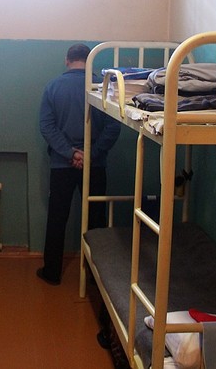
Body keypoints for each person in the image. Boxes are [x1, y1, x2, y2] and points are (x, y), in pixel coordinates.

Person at [37, 43, 121, 285]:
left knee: (57, 218)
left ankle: (52, 272)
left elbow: (47, 126)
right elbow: (113, 127)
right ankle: (98, 278)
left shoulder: (53, 87)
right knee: (96, 221)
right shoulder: (101, 87)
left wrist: (69, 153)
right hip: (95, 164)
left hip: (61, 164)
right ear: (89, 60)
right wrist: (90, 154)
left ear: (67, 60)